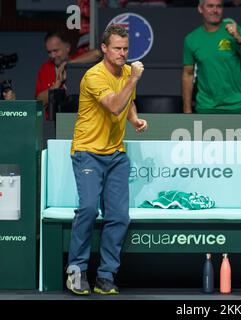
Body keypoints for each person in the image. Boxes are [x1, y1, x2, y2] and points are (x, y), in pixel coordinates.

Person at [66, 24, 148, 295]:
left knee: (118, 217)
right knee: (89, 210)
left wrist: (134, 120)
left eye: (125, 49)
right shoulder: (94, 76)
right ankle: (76, 272)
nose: (122, 54)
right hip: (88, 152)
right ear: (104, 48)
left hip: (115, 154)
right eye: (117, 48)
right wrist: (134, 79)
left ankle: (105, 275)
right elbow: (114, 104)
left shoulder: (126, 72)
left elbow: (128, 102)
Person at [182, 0, 241, 113]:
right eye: (210, 6)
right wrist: (187, 108)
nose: (215, 10)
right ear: (200, 9)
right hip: (207, 107)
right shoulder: (191, 39)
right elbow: (188, 74)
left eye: (219, 6)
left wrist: (239, 38)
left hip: (237, 106)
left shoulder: (235, 32)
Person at [35, 31, 101, 119]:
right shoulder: (45, 68)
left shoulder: (78, 60)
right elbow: (39, 102)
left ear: (67, 47)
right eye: (49, 52)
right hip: (54, 122)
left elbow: (97, 54)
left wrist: (69, 65)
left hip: (82, 119)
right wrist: (57, 84)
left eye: (55, 50)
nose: (52, 55)